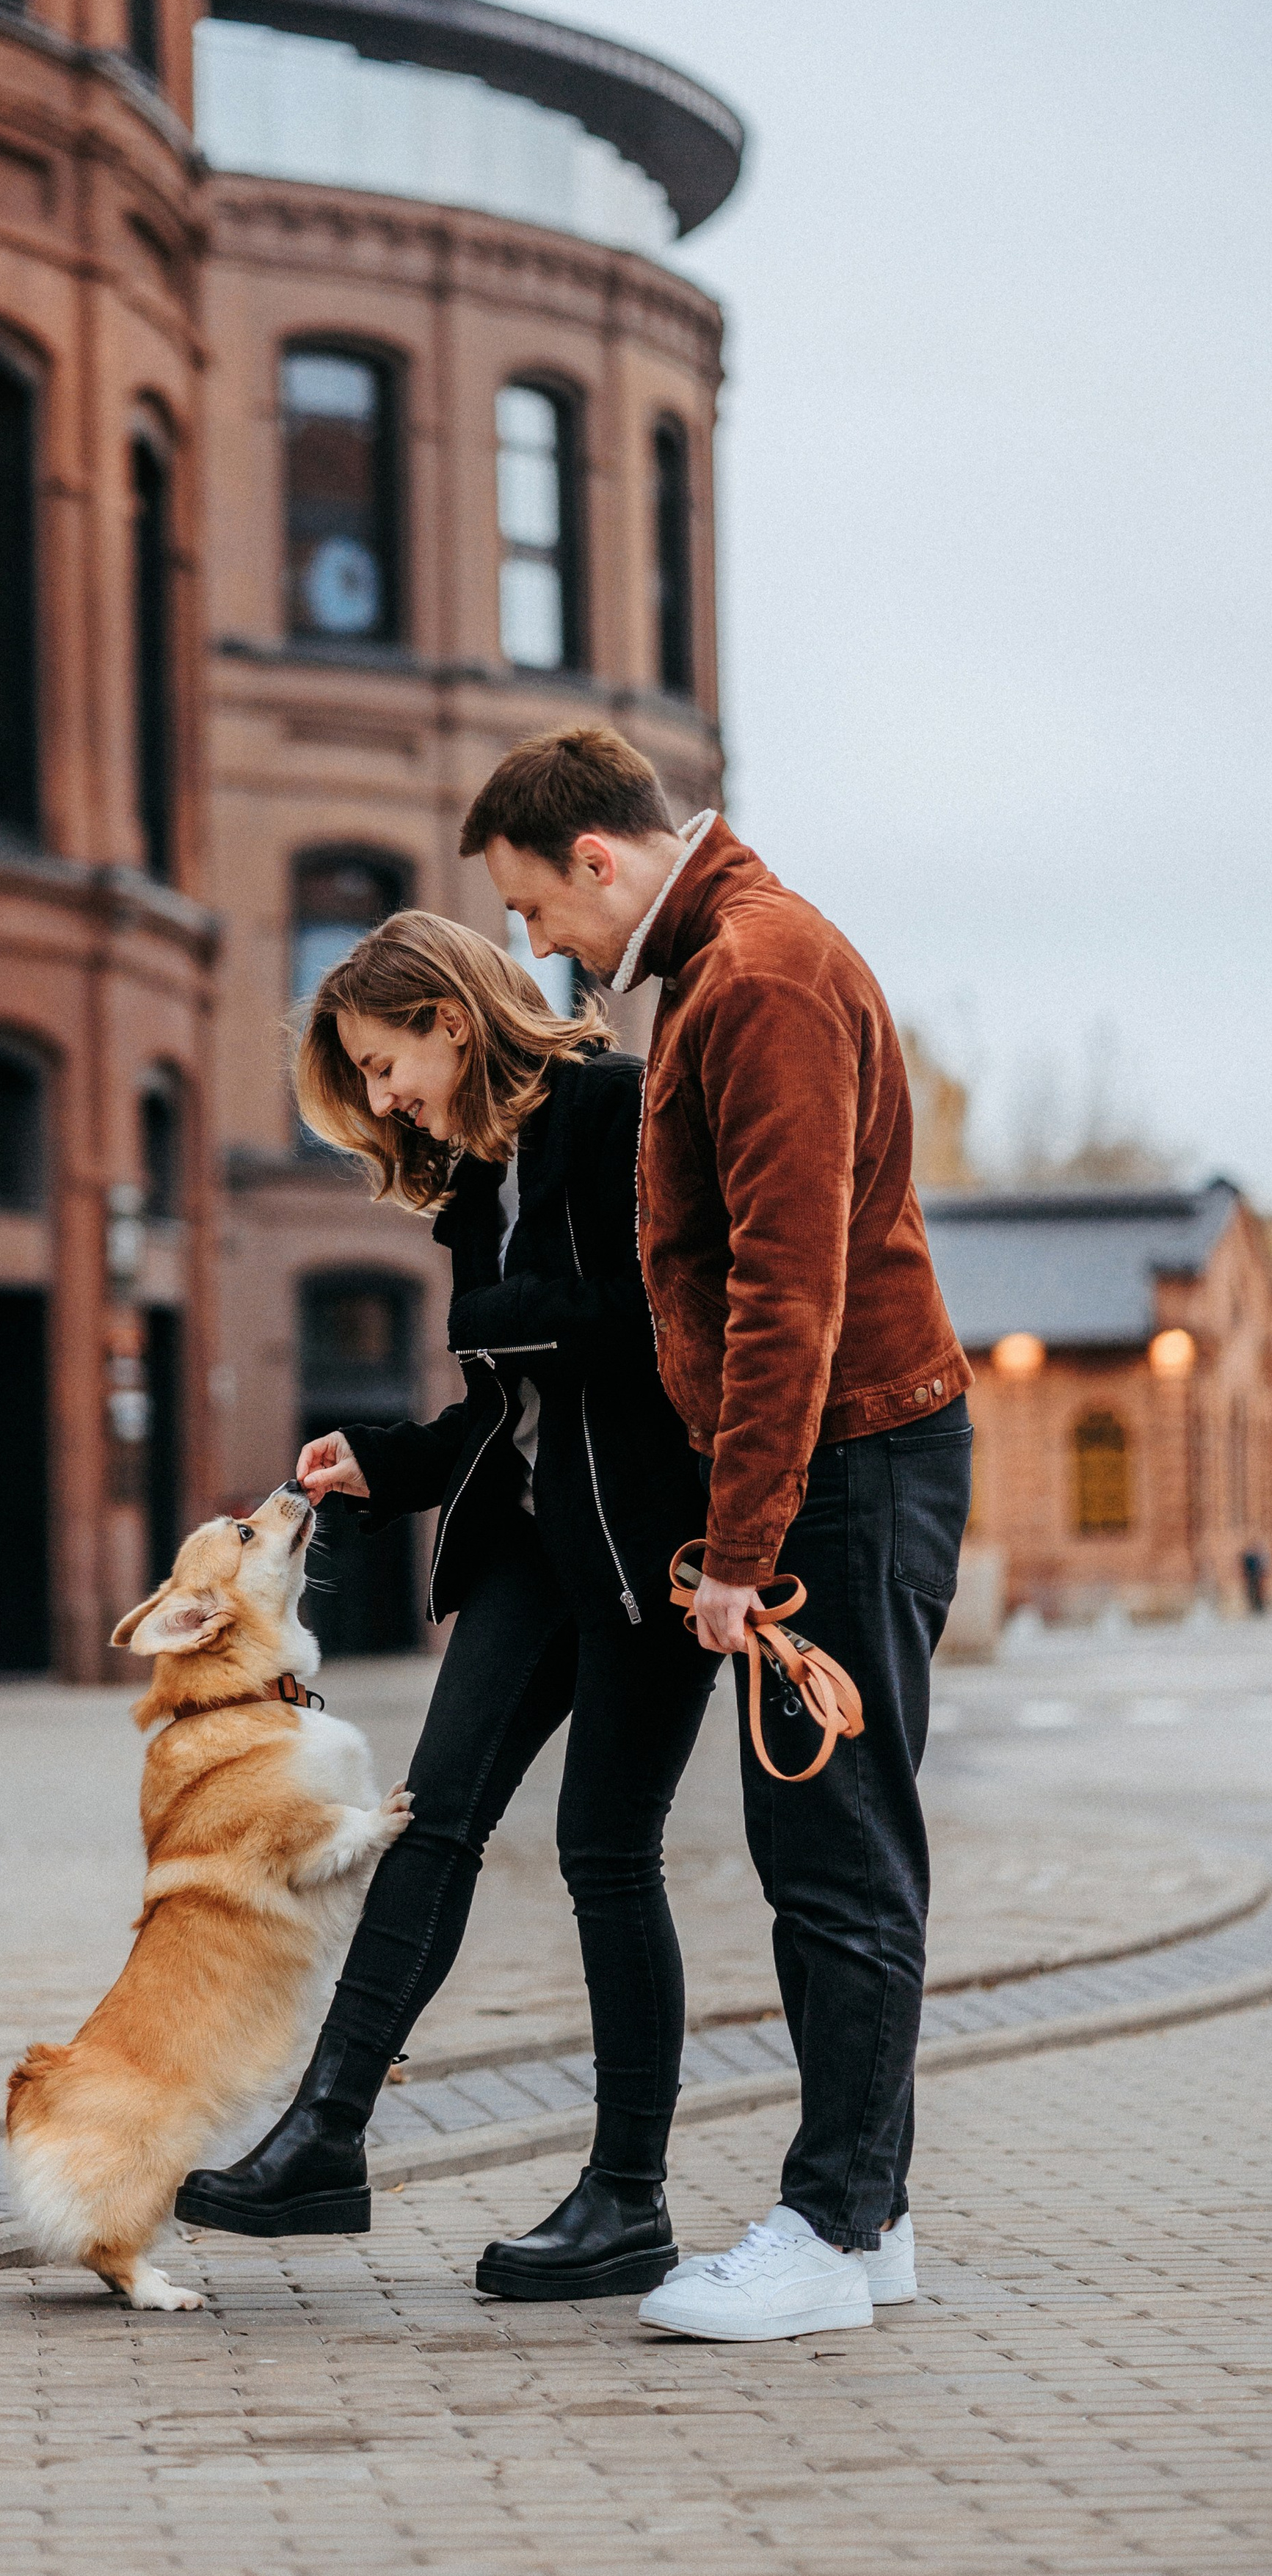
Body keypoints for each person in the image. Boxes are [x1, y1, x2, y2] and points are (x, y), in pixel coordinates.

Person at [463, 725, 974, 2343]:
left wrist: (739, 1545)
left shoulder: (752, 979)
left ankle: (825, 2235)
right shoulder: (726, 964)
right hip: (852, 1459)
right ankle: (867, 2219)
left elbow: (788, 1295)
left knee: (832, 1852)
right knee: (832, 1843)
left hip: (849, 1465)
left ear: (599, 861)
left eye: (536, 910)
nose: (536, 948)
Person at [175, 910, 716, 2302]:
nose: (380, 1099)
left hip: (651, 1548)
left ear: (452, 1023)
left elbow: (667, 1324)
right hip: (534, 1544)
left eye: (381, 1062)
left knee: (607, 1854)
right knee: (431, 1821)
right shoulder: (480, 1181)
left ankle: (629, 2199)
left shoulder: (613, 1110)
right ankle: (325, 2138)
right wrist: (388, 1463)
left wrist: (498, 1328)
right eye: (360, 1078)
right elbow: (507, 1405)